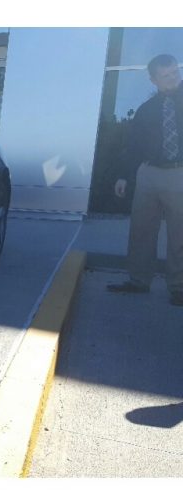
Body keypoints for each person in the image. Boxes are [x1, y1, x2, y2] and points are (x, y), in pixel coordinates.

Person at [107, 54, 183, 306]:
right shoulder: (146, 109)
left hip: (179, 174)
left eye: (175, 72)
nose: (173, 78)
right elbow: (133, 147)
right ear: (153, 79)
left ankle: (179, 288)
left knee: (179, 234)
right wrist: (123, 175)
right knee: (141, 230)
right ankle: (138, 281)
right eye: (166, 75)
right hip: (148, 174)